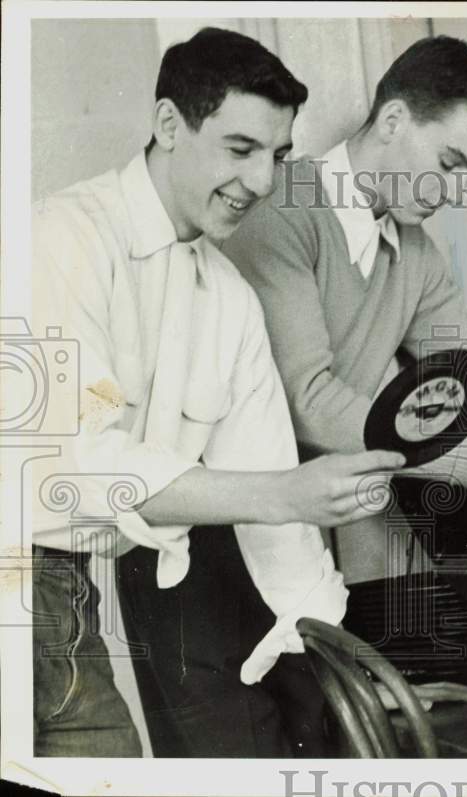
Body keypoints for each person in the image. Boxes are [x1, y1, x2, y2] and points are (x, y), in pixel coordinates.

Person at [30, 27, 402, 758]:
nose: (263, 181)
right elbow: (82, 464)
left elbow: (275, 502)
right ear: (169, 124)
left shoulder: (228, 296)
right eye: (241, 149)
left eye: (278, 155)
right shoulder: (63, 237)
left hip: (65, 589)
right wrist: (288, 493)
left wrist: (330, 647)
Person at [221, 36, 467, 581]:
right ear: (393, 120)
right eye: (448, 165)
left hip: (326, 527)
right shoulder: (280, 215)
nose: (452, 192)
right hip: (240, 532)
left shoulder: (414, 250)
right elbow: (307, 401)